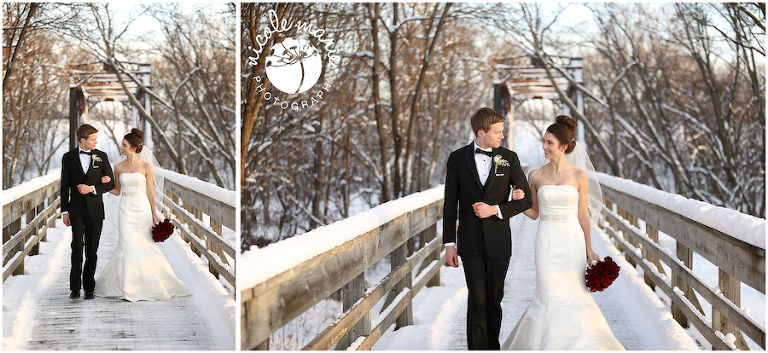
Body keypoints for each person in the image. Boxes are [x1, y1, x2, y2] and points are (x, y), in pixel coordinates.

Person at [502, 115, 624, 350]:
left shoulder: (580, 176)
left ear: (564, 147)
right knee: (547, 291)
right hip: (546, 239)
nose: (544, 147)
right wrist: (518, 200)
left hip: (572, 241)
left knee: (573, 292)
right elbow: (534, 213)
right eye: (544, 141)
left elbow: (583, 215)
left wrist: (589, 249)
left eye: (549, 142)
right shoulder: (535, 175)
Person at [443, 107, 532, 350]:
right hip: (470, 243)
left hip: (499, 241)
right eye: (497, 132)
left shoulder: (509, 158)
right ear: (480, 132)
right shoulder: (457, 159)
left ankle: (493, 347)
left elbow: (527, 201)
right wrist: (449, 244)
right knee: (477, 300)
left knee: (494, 301)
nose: (501, 136)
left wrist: (497, 209)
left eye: (502, 132)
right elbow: (450, 205)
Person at [93, 128, 191, 301]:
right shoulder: (118, 167)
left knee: (145, 244)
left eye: (124, 145)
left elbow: (150, 192)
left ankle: (144, 284)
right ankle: (126, 286)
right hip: (125, 209)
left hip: (142, 209)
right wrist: (104, 184)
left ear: (132, 148)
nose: (121, 148)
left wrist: (154, 214)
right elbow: (116, 191)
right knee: (126, 244)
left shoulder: (146, 167)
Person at [61, 124, 116, 300]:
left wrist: (92, 187)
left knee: (92, 250)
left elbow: (111, 184)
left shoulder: (101, 156)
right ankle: (75, 288)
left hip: (95, 210)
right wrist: (64, 211)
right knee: (77, 247)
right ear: (82, 140)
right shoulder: (68, 157)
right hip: (76, 210)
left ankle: (89, 288)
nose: (96, 142)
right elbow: (64, 186)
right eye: (93, 139)